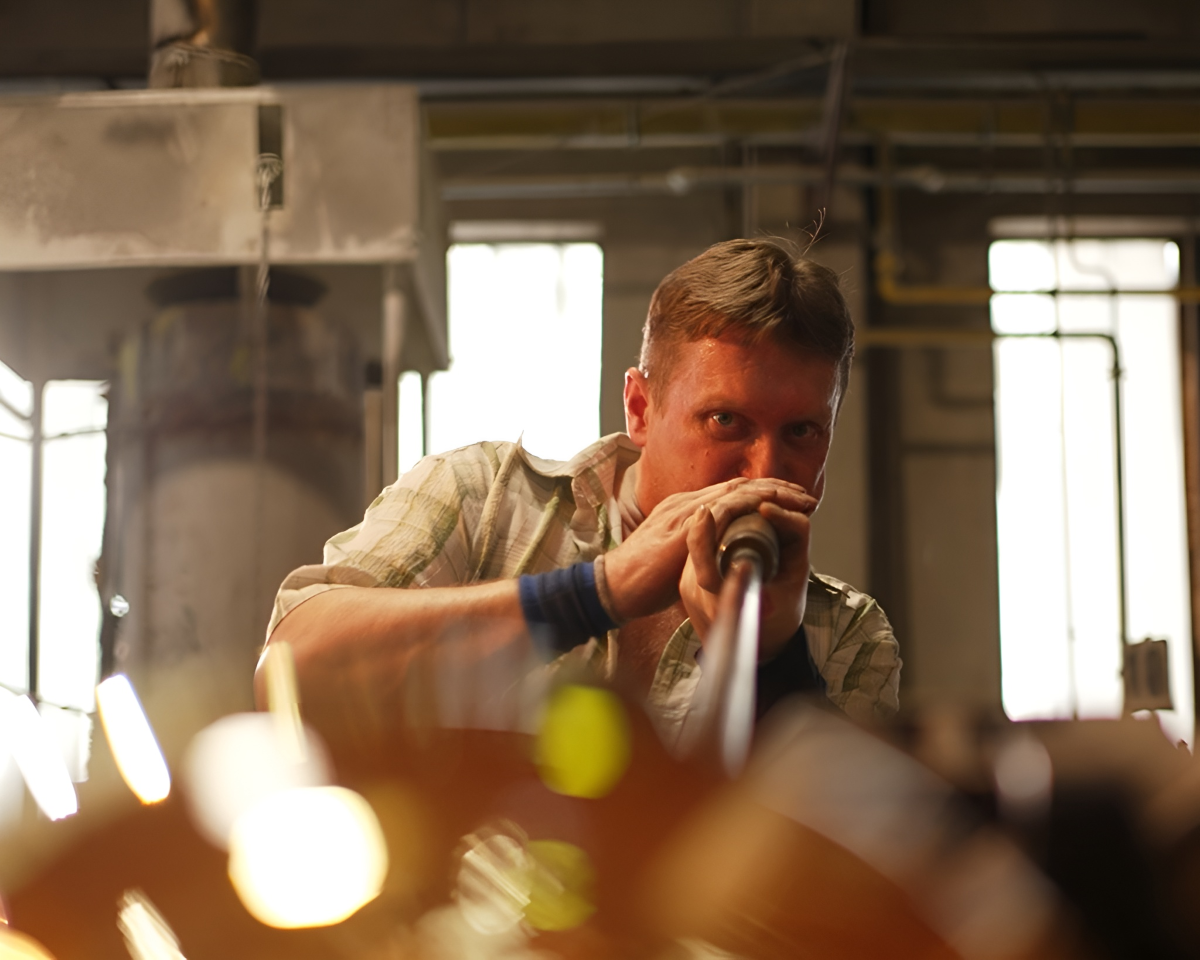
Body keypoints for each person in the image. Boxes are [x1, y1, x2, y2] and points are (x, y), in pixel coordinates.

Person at [261, 238, 900, 742]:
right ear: (641, 408)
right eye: (725, 420)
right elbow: (292, 673)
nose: (763, 470)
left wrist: (775, 663)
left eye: (802, 432)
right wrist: (596, 592)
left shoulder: (845, 633)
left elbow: (864, 858)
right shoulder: (482, 501)